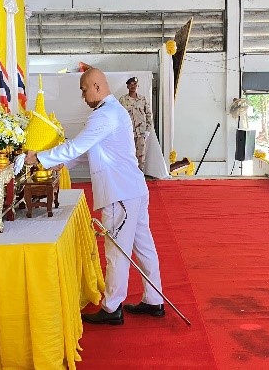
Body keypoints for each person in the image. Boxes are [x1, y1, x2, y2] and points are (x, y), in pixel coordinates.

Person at [23, 68, 164, 325]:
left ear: (97, 87)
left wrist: (40, 158)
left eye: (84, 89)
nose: (83, 96)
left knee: (116, 252)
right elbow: (90, 150)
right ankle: (154, 300)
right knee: (144, 246)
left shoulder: (105, 114)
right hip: (132, 189)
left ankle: (112, 308)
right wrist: (61, 163)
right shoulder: (111, 112)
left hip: (120, 193)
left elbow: (77, 146)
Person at [118, 76, 153, 171]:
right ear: (127, 86)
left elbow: (149, 114)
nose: (133, 86)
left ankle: (139, 176)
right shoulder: (122, 100)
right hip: (128, 133)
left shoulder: (142, 99)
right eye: (131, 84)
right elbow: (118, 116)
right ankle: (129, 175)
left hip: (141, 133)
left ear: (138, 86)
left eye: (135, 84)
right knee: (128, 155)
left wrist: (147, 130)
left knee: (140, 156)